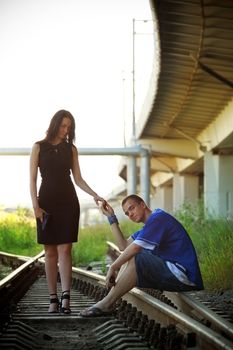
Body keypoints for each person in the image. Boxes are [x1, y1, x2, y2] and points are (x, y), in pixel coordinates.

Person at [30, 109, 105, 314]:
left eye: (69, 127)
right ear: (55, 125)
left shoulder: (71, 149)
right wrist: (35, 205)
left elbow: (78, 178)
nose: (66, 130)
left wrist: (94, 194)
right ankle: (52, 298)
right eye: (63, 126)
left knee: (65, 249)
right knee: (50, 251)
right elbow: (32, 180)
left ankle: (66, 297)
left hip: (68, 202)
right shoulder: (39, 147)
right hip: (45, 202)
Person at [80, 194, 204, 317]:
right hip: (174, 272)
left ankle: (107, 303)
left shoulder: (158, 219)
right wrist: (111, 217)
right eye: (127, 213)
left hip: (183, 276)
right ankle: (110, 300)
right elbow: (124, 246)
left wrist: (113, 267)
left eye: (132, 208)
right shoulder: (149, 226)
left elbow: (135, 248)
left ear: (143, 205)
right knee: (133, 255)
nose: (130, 214)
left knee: (137, 257)